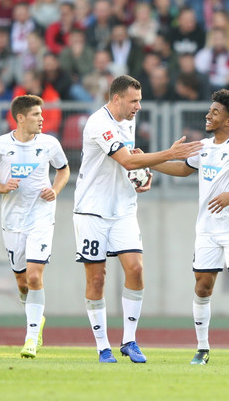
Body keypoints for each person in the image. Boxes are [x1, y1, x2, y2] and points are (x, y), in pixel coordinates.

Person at [73, 74, 201, 363]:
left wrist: (143, 176)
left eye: (140, 101)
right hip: (92, 209)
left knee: (136, 268)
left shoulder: (126, 120)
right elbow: (126, 160)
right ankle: (102, 346)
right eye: (134, 101)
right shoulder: (98, 123)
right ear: (116, 99)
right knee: (97, 278)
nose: (138, 107)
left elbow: (131, 160)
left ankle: (129, 340)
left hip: (123, 209)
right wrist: (169, 154)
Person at [150, 89, 229, 366]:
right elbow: (184, 169)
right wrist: (152, 162)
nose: (208, 115)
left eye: (215, 112)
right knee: (203, 287)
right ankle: (202, 348)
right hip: (207, 230)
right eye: (210, 110)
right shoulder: (204, 146)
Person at [0, 94, 70, 358]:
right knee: (21, 280)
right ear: (20, 118)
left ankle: (30, 338)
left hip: (41, 217)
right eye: (36, 115)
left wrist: (55, 189)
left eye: (42, 114)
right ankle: (36, 318)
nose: (42, 119)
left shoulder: (50, 143)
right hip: (12, 222)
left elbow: (64, 170)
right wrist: (2, 187)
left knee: (35, 275)